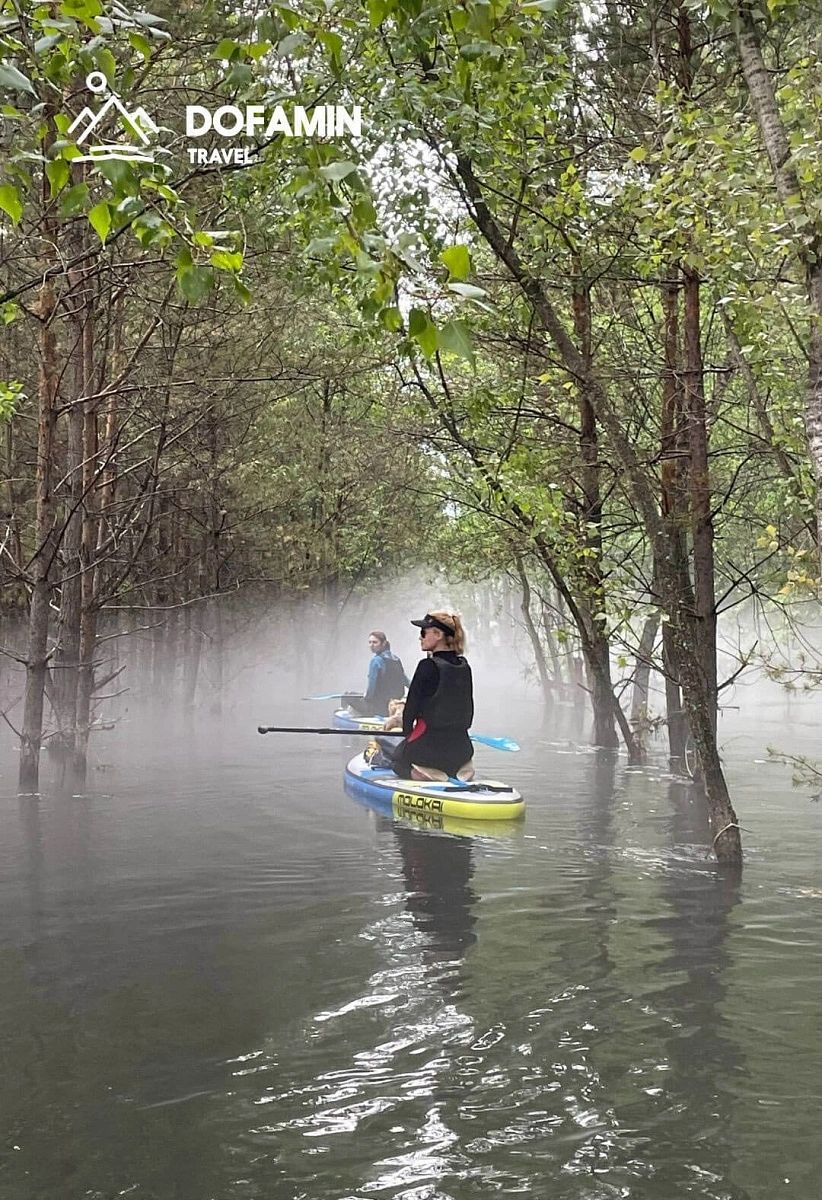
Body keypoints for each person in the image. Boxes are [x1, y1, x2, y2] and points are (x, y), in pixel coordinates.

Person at [374, 611, 474, 781]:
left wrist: (407, 737)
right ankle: (457, 771)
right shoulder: (464, 666)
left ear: (438, 634)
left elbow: (410, 714)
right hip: (462, 752)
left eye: (423, 632)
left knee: (396, 759)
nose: (420, 638)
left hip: (427, 753)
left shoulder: (427, 666)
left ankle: (423, 774)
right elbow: (468, 716)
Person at [342, 630, 408, 717]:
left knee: (346, 695)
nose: (371, 645)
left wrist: (366, 698)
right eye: (370, 642)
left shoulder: (376, 661)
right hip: (393, 706)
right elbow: (406, 681)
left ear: (383, 643)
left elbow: (371, 689)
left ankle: (351, 717)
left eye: (375, 642)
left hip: (378, 708)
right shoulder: (396, 659)